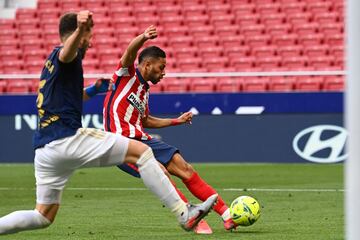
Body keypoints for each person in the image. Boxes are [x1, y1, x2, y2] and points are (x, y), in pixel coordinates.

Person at [0, 11, 218, 235]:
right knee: (142, 153)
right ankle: (184, 213)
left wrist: (94, 90)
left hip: (45, 150)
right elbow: (68, 51)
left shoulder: (50, 66)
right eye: (89, 36)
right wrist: (81, 29)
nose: (91, 42)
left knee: (42, 216)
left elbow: (76, 95)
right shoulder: (65, 56)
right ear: (78, 34)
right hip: (65, 138)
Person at [103, 25, 238, 232]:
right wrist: (143, 37)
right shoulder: (126, 75)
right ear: (147, 64)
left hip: (142, 139)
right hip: (119, 143)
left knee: (185, 168)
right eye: (161, 67)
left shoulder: (144, 91)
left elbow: (145, 120)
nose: (164, 72)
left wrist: (177, 121)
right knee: (161, 171)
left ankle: (228, 215)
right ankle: (191, 217)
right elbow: (130, 52)